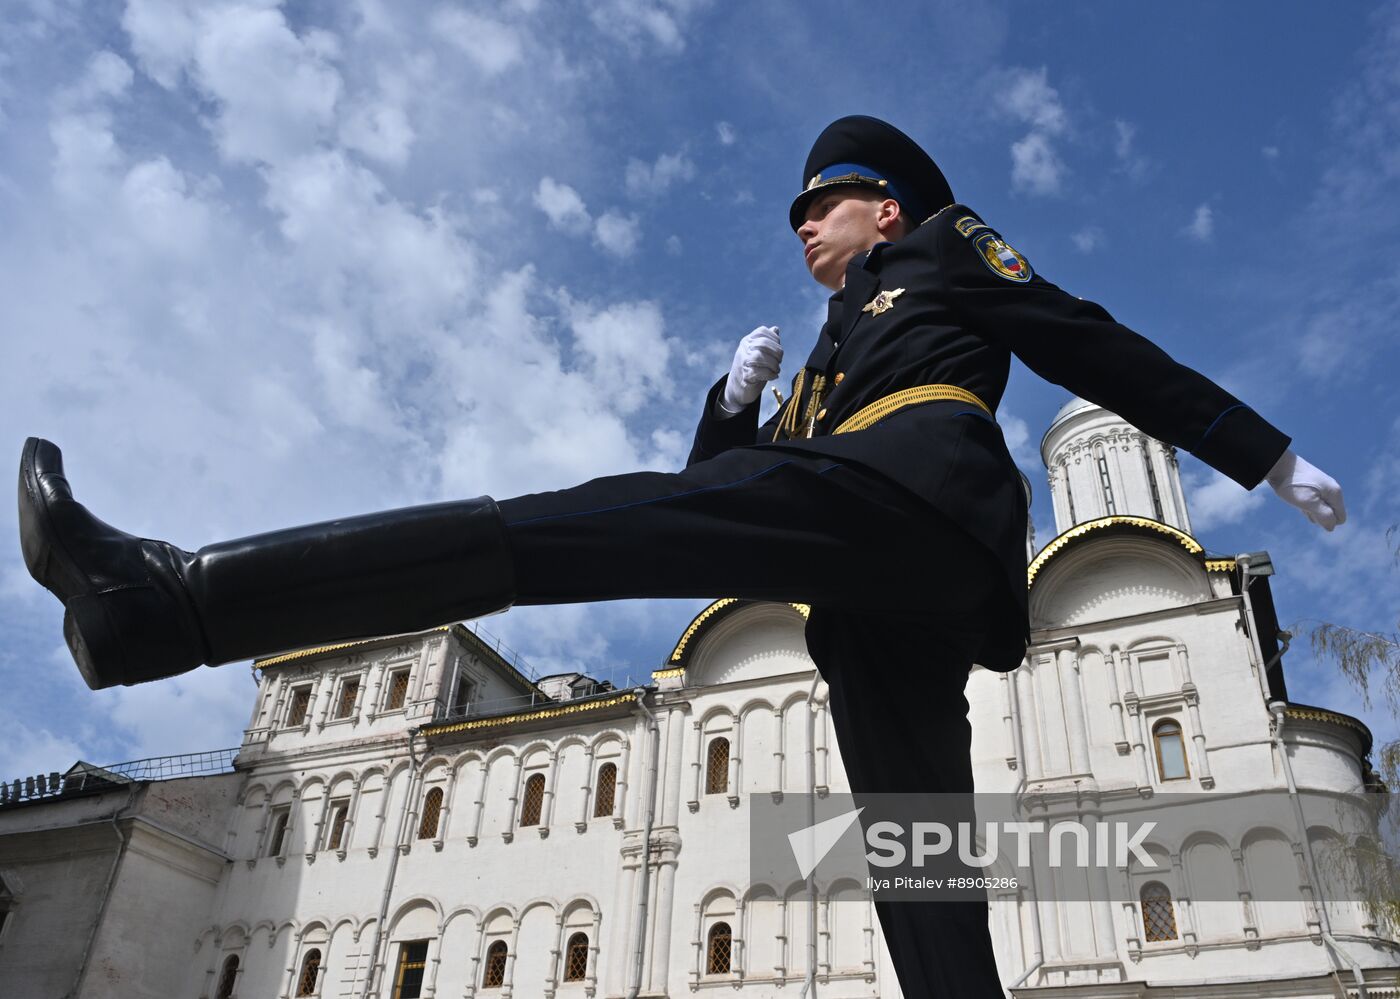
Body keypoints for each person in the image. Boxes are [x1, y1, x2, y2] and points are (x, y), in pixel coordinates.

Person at [18, 115, 1345, 996]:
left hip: (914, 499)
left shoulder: (945, 249)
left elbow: (1084, 336)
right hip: (876, 580)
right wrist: (729, 403)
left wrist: (1261, 452)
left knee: (570, 530)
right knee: (915, 839)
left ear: (882, 208)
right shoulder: (828, 351)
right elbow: (722, 495)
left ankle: (176, 602)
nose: (804, 233)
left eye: (818, 210)